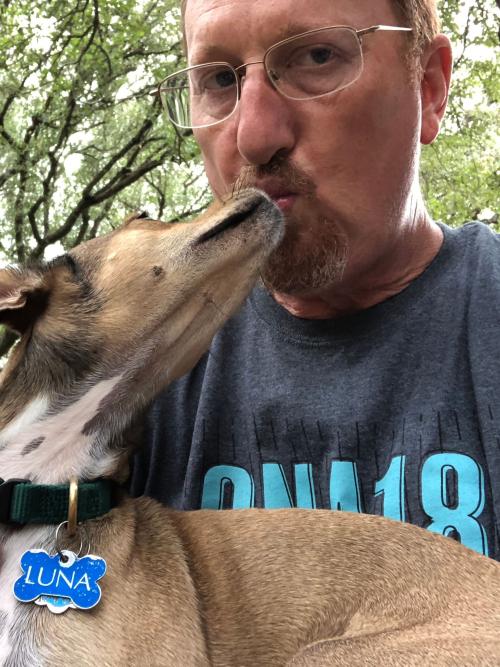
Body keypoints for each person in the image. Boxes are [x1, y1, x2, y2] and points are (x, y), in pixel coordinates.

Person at [130, 0, 500, 561]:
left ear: (427, 89)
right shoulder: (138, 369)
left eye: (317, 56)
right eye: (218, 79)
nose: (254, 136)